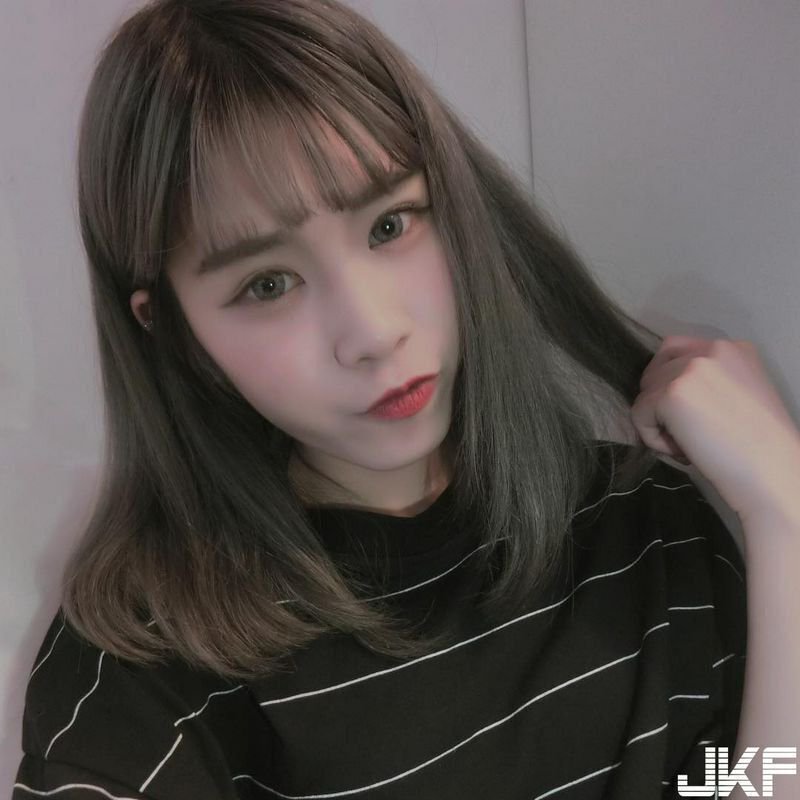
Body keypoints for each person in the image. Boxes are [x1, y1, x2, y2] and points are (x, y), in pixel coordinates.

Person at [12, 1, 800, 798]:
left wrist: (786, 515)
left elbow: (755, 782)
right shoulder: (144, 676)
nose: (374, 332)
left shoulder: (645, 525)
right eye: (269, 283)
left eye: (390, 226)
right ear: (175, 332)